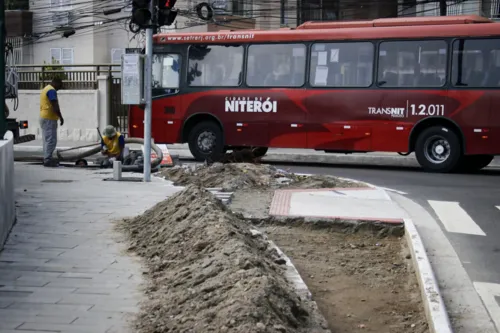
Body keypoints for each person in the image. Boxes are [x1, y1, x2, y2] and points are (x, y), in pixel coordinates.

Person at [39, 78, 64, 167]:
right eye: (59, 86)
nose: (59, 89)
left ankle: (46, 157)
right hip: (49, 119)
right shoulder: (51, 91)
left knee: (46, 140)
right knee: (51, 140)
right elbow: (55, 105)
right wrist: (60, 117)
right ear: (56, 83)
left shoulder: (46, 88)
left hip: (44, 117)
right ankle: (48, 160)